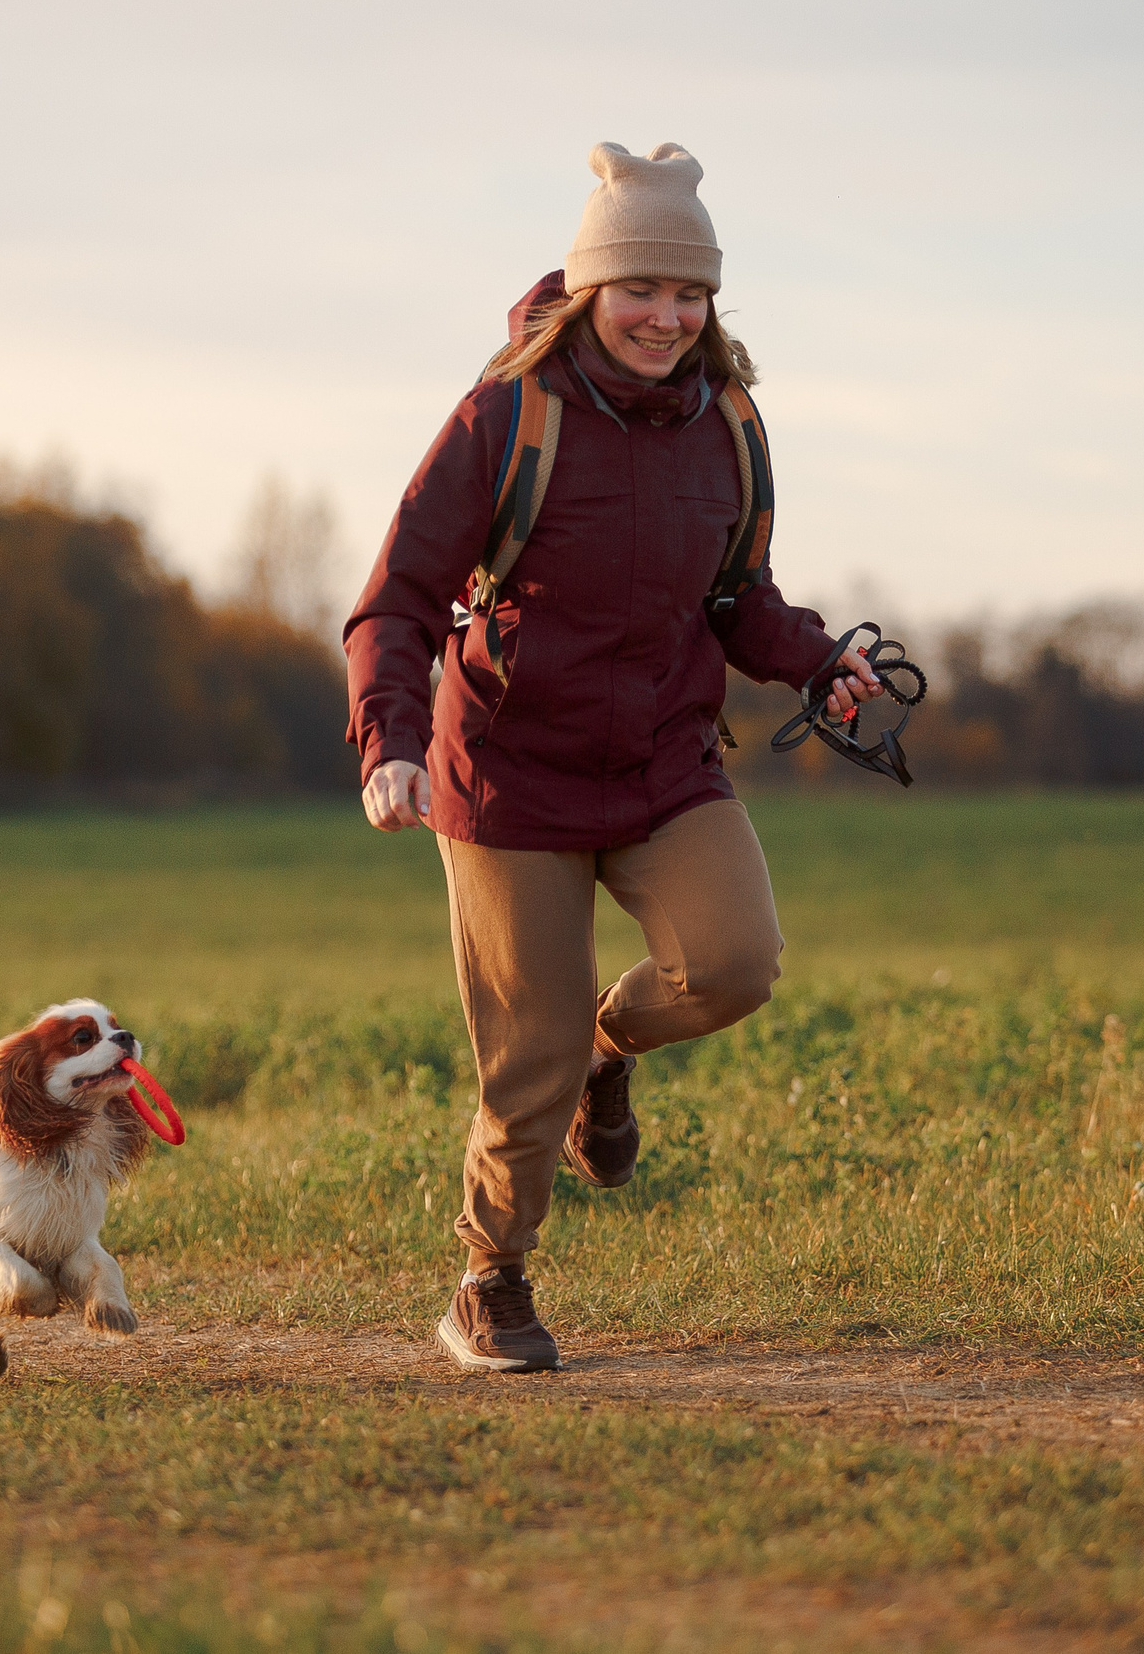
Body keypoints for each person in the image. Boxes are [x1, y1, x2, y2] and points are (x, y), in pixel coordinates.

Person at [343, 141, 882, 1372]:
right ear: (591, 292)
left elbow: (739, 598)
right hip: (506, 777)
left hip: (663, 763)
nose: (664, 315)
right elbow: (398, 599)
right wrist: (388, 739)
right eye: (641, 289)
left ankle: (609, 1045)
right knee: (523, 1051)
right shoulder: (507, 417)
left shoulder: (730, 425)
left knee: (734, 964)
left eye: (688, 295)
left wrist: (813, 660)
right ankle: (491, 1278)